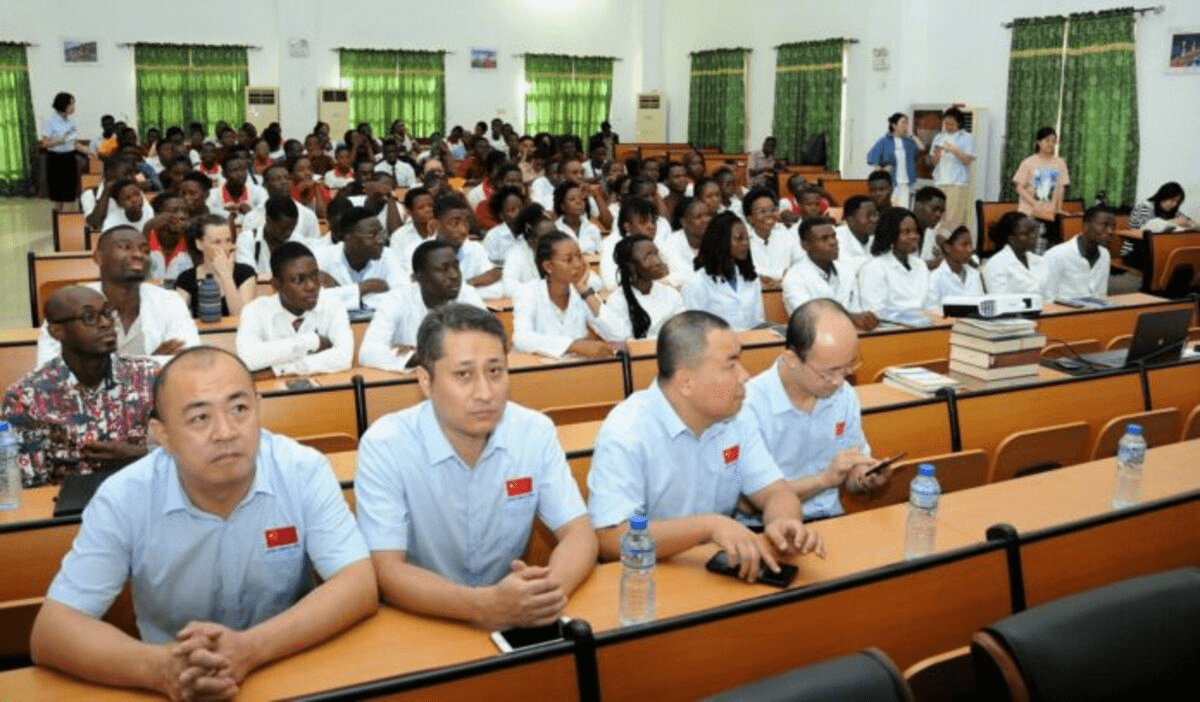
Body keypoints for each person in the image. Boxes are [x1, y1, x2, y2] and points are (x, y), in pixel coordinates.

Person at [29, 347, 377, 700]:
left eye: (239, 409)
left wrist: (250, 648)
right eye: (199, 418)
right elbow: (53, 631)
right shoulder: (123, 497)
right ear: (160, 434)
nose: (225, 432)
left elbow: (358, 584)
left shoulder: (302, 471)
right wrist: (162, 669)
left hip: (288, 663)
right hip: (172, 679)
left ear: (258, 408)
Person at [356, 304, 596, 629]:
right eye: (463, 375)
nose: (485, 393)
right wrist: (485, 606)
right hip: (423, 617)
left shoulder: (533, 431)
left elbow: (579, 534)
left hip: (512, 614)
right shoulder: (385, 445)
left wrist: (539, 597)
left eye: (495, 371)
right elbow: (387, 571)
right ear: (425, 381)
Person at [587, 311, 825, 580]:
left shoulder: (736, 417)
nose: (745, 376)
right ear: (686, 382)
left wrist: (784, 522)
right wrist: (707, 527)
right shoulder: (627, 432)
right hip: (650, 577)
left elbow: (775, 492)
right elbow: (610, 539)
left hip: (715, 570)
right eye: (730, 365)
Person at [744, 299, 888, 520]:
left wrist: (863, 476)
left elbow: (850, 468)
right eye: (829, 372)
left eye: (849, 366)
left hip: (829, 518)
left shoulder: (843, 394)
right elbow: (747, 504)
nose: (840, 381)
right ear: (792, 359)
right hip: (765, 528)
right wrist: (825, 479)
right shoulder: (749, 405)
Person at [4, 287, 156, 487]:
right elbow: (24, 483)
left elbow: (189, 455)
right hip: (66, 509)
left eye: (108, 313)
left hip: (143, 499)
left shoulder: (150, 377)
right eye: (89, 317)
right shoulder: (26, 397)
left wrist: (141, 456)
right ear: (57, 331)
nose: (105, 323)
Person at [36, 226, 199, 368]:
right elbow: (51, 370)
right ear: (98, 257)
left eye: (145, 250)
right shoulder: (70, 303)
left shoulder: (169, 301)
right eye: (125, 247)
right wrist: (150, 361)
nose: (138, 254)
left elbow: (188, 360)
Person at [359, 240, 486, 372]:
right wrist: (415, 357)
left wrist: (423, 354)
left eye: (456, 266)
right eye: (443, 269)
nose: (454, 275)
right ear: (419, 277)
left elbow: (491, 340)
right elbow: (367, 352)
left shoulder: (467, 294)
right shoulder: (397, 299)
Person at [236, 241, 353, 377]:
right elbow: (247, 358)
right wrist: (313, 341)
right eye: (298, 280)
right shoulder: (255, 311)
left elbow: (344, 357)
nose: (311, 286)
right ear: (276, 284)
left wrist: (280, 370)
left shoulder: (333, 306)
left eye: (315, 276)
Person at [512, 231, 623, 358]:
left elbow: (619, 336)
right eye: (568, 260)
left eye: (579, 256)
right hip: (542, 373)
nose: (578, 264)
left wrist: (584, 291)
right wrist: (573, 345)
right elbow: (521, 339)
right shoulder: (528, 292)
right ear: (548, 266)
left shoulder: (583, 291)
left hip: (579, 371)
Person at [782, 217, 878, 331]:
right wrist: (851, 317)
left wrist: (866, 319)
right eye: (824, 238)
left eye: (834, 236)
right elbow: (808, 317)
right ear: (805, 245)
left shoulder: (846, 270)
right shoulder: (794, 277)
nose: (833, 242)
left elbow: (856, 309)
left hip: (851, 334)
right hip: (814, 339)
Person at [681, 212, 765, 331]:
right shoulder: (696, 283)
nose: (746, 243)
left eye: (747, 238)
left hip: (752, 343)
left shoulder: (750, 277)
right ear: (721, 240)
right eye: (739, 239)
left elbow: (758, 321)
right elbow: (696, 330)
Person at [315, 206, 405, 311]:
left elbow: (402, 297)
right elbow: (313, 300)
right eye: (373, 234)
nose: (381, 240)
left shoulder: (388, 255)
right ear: (348, 237)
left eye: (382, 232)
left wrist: (342, 292)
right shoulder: (322, 256)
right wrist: (365, 287)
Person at [602, 235, 686, 340]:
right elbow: (622, 341)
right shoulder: (616, 301)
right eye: (648, 257)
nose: (657, 261)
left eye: (656, 254)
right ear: (631, 267)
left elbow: (683, 331)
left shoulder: (671, 294)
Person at [174, 215, 258, 318]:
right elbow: (176, 317)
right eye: (217, 242)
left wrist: (226, 276)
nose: (225, 247)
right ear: (199, 244)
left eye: (228, 240)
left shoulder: (246, 273)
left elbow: (241, 316)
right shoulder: (186, 278)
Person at [857, 207, 930, 317]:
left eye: (916, 231)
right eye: (906, 232)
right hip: (892, 330)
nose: (914, 236)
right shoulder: (875, 268)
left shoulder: (921, 265)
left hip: (925, 326)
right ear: (891, 234)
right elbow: (875, 311)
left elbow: (928, 305)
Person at [1013, 127, 1071, 251]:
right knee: (1033, 247)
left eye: (1053, 141)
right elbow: (1018, 187)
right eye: (1047, 140)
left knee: (1050, 248)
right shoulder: (1028, 162)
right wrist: (1035, 203)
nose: (1050, 144)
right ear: (1038, 142)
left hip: (1050, 213)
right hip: (1030, 212)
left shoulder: (1060, 163)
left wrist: (1058, 209)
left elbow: (1061, 187)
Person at [1041, 206, 1114, 300]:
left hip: (1094, 311)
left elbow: (1101, 294)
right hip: (1064, 312)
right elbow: (1047, 296)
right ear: (1086, 226)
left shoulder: (1105, 254)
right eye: (1104, 225)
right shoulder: (1056, 255)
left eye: (1113, 226)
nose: (1110, 231)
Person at [242, 164, 321, 244]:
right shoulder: (252, 217)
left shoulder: (308, 215)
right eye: (277, 179)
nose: (284, 182)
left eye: (287, 178)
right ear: (266, 185)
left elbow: (315, 247)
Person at [743, 186, 803, 285]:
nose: (769, 215)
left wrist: (785, 279)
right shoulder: (742, 240)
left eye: (772, 210)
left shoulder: (787, 235)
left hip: (785, 288)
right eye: (762, 212)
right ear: (750, 218)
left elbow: (800, 264)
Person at [928, 107, 975, 232]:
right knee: (937, 216)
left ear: (959, 123)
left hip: (957, 183)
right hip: (940, 181)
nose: (948, 126)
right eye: (945, 123)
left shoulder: (966, 138)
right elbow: (932, 162)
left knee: (953, 219)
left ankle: (949, 245)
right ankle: (936, 245)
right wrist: (937, 153)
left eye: (951, 123)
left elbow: (968, 161)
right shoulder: (938, 137)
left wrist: (955, 151)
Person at [981, 211, 1048, 297]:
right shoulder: (995, 264)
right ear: (1011, 238)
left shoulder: (1039, 260)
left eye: (1033, 231)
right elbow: (999, 301)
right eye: (1026, 234)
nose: (1033, 236)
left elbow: (1049, 294)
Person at [600, 197, 659, 291]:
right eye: (644, 222)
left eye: (653, 222)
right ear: (627, 226)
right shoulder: (611, 244)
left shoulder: (655, 243)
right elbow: (610, 283)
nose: (651, 227)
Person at [866, 113, 925, 208]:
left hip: (905, 182)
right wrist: (881, 170)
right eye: (903, 123)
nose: (905, 126)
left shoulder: (908, 142)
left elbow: (921, 148)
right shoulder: (884, 141)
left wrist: (912, 135)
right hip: (891, 182)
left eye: (907, 123)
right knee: (890, 206)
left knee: (903, 208)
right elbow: (871, 157)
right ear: (894, 125)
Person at [41, 92, 87, 211]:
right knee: (58, 190)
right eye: (71, 104)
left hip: (69, 157)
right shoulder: (50, 121)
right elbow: (45, 144)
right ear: (63, 105)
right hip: (55, 158)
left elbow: (74, 143)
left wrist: (89, 152)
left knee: (69, 188)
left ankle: (68, 218)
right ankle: (59, 216)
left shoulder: (71, 122)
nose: (73, 107)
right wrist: (57, 141)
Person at [238, 194, 301, 277]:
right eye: (283, 229)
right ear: (268, 220)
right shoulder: (248, 239)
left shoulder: (297, 242)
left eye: (292, 229)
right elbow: (245, 276)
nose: (289, 233)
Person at [503, 204, 559, 297]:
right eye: (547, 237)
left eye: (556, 234)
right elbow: (509, 288)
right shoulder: (516, 255)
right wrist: (542, 288)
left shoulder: (564, 249)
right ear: (532, 242)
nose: (555, 240)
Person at [924, 226, 984, 310]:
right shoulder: (935, 278)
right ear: (947, 247)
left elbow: (982, 306)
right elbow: (931, 312)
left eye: (970, 245)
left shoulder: (974, 275)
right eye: (964, 244)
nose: (970, 250)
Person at [661, 197, 712, 289]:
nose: (706, 220)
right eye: (698, 217)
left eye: (708, 215)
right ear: (684, 222)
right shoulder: (669, 245)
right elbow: (669, 281)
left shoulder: (718, 240)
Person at [142, 191, 192, 283]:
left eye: (185, 211)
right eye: (174, 211)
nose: (182, 216)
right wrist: (148, 226)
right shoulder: (147, 236)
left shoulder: (191, 239)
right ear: (158, 215)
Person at [833, 195, 878, 284]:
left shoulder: (877, 238)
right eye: (868, 215)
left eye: (875, 214)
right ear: (850, 220)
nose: (874, 219)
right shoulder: (835, 239)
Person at [554, 181, 602, 254]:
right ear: (562, 206)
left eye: (581, 198)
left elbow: (600, 253)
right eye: (572, 199)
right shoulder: (555, 230)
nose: (578, 202)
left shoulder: (593, 228)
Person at [482, 186, 527, 265]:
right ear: (501, 215)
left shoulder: (532, 231)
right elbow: (486, 266)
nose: (519, 212)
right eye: (512, 210)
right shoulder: (493, 237)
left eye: (521, 208)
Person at [1129, 182, 1197, 231]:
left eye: (1177, 202)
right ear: (1163, 196)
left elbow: (1185, 220)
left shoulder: (1173, 210)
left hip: (1162, 244)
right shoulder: (1145, 207)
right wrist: (1172, 222)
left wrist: (1188, 222)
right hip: (1138, 246)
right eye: (1172, 200)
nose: (1174, 204)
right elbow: (1142, 230)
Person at [912, 186, 949, 264]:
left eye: (941, 211)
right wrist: (934, 263)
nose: (938, 215)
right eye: (934, 209)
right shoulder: (900, 232)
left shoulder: (933, 237)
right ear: (917, 206)